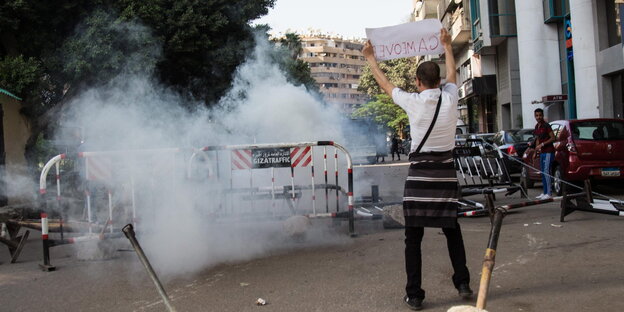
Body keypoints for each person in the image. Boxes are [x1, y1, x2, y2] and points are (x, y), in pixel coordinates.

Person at [362, 28, 472, 311]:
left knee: (414, 237)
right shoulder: (450, 97)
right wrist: (447, 46)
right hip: (446, 176)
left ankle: (415, 295)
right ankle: (462, 282)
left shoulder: (413, 102)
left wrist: (371, 59)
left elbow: (386, 85)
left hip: (420, 178)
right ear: (437, 81)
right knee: (452, 230)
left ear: (418, 81)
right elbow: (453, 76)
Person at [533, 108, 556, 199]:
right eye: (536, 115)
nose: (538, 117)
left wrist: (543, 144)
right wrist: (535, 152)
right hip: (542, 152)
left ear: (543, 116)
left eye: (540, 115)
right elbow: (538, 139)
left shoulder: (546, 126)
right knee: (542, 172)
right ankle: (545, 192)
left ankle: (549, 193)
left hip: (548, 152)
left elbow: (553, 138)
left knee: (546, 171)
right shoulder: (536, 126)